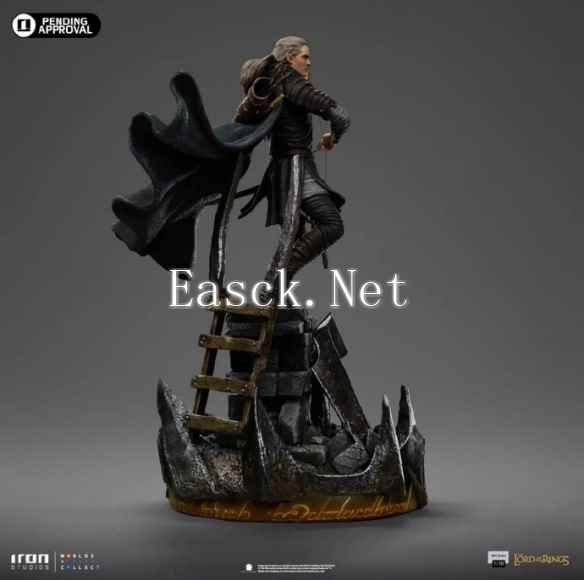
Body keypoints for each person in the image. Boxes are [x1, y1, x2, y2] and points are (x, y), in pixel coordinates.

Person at [237, 36, 351, 280]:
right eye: (305, 57)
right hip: (296, 168)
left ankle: (276, 290)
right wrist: (333, 137)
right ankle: (274, 281)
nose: (309, 63)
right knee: (332, 224)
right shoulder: (291, 82)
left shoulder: (274, 83)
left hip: (282, 171)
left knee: (296, 236)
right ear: (290, 58)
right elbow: (341, 116)